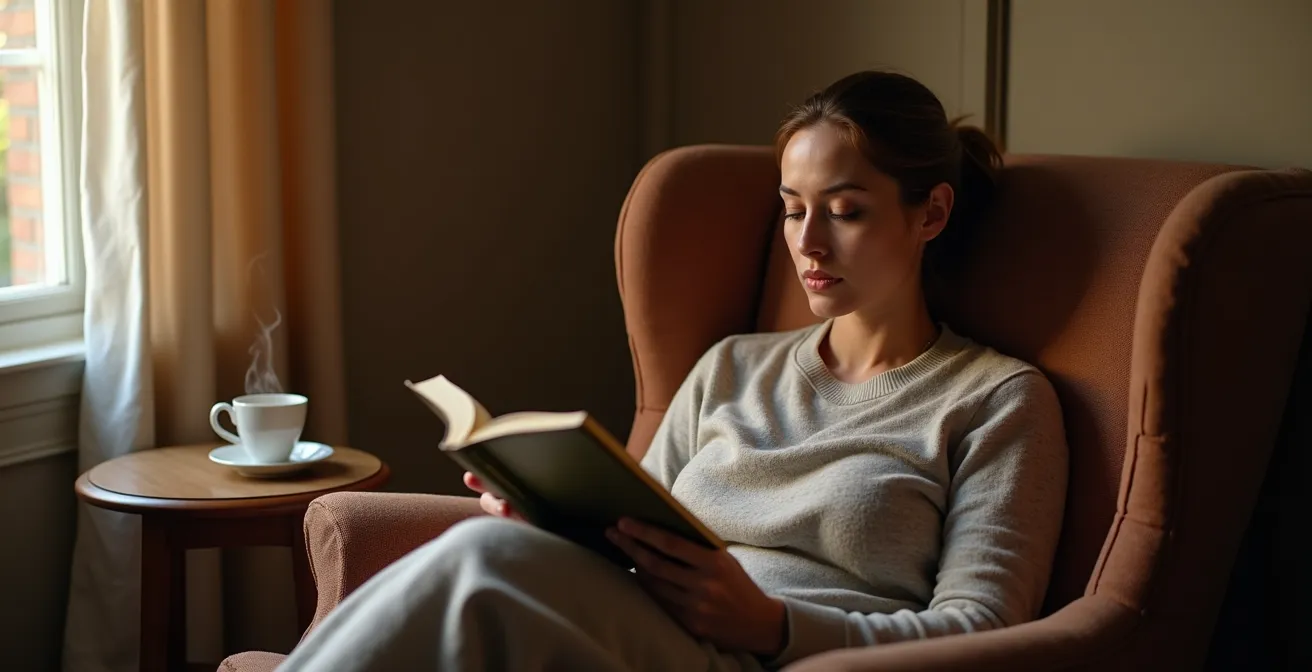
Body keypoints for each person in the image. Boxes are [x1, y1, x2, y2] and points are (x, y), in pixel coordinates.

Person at [278, 70, 1069, 671]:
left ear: (929, 213)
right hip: (646, 633)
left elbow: (986, 629)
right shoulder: (731, 367)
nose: (809, 244)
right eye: (793, 209)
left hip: (775, 658)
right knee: (489, 557)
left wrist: (774, 624)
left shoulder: (995, 399)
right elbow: (635, 537)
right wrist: (555, 527)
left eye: (846, 209)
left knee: (475, 568)